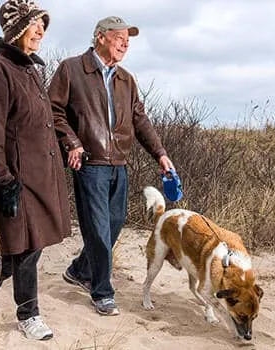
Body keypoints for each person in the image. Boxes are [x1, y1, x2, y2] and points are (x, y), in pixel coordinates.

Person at [49, 16, 175, 316]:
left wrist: (160, 153)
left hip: (119, 162)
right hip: (89, 162)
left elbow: (140, 120)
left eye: (128, 39)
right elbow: (52, 110)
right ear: (100, 37)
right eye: (119, 37)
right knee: (98, 229)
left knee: (115, 222)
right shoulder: (71, 69)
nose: (125, 42)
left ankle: (80, 269)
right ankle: (102, 291)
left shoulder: (126, 79)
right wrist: (72, 142)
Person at [0, 0, 70, 341]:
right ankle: (29, 315)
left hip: (42, 177)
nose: (41, 30)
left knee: (33, 243)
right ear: (16, 28)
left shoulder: (30, 69)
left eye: (43, 24)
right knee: (25, 246)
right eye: (34, 23)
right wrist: (2, 180)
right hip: (16, 178)